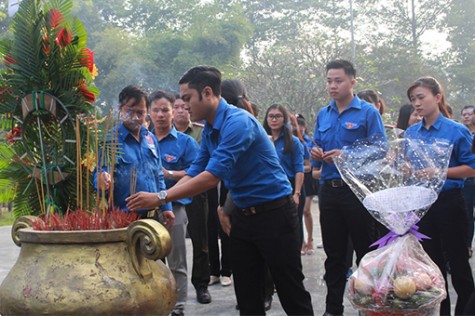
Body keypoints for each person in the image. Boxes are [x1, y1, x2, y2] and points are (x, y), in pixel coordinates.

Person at [127, 65, 314, 316]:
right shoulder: (210, 131)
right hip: (243, 217)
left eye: (187, 98)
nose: (183, 106)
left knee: (291, 293)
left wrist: (160, 196)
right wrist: (161, 201)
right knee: (247, 297)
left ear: (207, 93)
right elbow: (195, 171)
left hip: (275, 215)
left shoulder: (238, 123)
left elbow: (211, 177)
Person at [310, 59, 386, 316]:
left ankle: (370, 306)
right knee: (333, 254)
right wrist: (317, 152)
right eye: (329, 80)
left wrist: (346, 155)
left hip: (356, 190)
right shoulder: (324, 113)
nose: (332, 85)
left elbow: (380, 149)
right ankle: (333, 308)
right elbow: (316, 144)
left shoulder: (367, 112)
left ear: (352, 81)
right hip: (329, 191)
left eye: (338, 80)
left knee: (366, 250)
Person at [405, 76, 475, 315]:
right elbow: (408, 168)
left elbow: (472, 168)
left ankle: (466, 310)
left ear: (437, 97)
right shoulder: (411, 134)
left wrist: (440, 172)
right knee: (431, 266)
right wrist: (404, 169)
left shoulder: (457, 131)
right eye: (413, 99)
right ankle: (440, 311)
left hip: (450, 203)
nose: (416, 103)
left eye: (421, 97)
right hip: (423, 205)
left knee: (457, 262)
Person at [149, 90, 200, 316]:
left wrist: (168, 173)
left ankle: (179, 305)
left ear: (174, 111)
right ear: (149, 113)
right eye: (156, 110)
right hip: (146, 210)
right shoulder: (143, 140)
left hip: (176, 207)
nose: (160, 115)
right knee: (149, 259)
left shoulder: (186, 142)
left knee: (176, 258)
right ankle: (154, 302)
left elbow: (195, 172)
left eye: (165, 110)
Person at [94, 85, 175, 222]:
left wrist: (167, 207)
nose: (135, 117)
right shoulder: (111, 140)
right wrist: (102, 180)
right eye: (130, 112)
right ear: (120, 109)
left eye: (140, 113)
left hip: (154, 217)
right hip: (124, 219)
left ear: (147, 112)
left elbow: (159, 176)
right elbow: (100, 173)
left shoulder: (150, 138)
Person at [172, 94, 212, 304]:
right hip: (170, 196)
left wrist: (171, 173)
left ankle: (201, 285)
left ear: (189, 109)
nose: (180, 110)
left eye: (183, 107)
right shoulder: (156, 135)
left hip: (195, 193)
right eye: (175, 107)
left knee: (200, 240)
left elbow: (201, 166)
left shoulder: (200, 132)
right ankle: (170, 287)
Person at [296, 113, 318, 255]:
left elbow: (309, 166)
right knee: (297, 213)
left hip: (308, 180)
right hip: (295, 179)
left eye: (302, 125)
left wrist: (296, 168)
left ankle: (310, 239)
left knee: (306, 210)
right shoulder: (289, 141)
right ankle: (300, 242)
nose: (300, 128)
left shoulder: (308, 142)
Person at [460, 105, 475, 258]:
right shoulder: (462, 133)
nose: (466, 117)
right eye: (464, 114)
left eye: (469, 114)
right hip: (468, 182)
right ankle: (467, 245)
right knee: (467, 214)